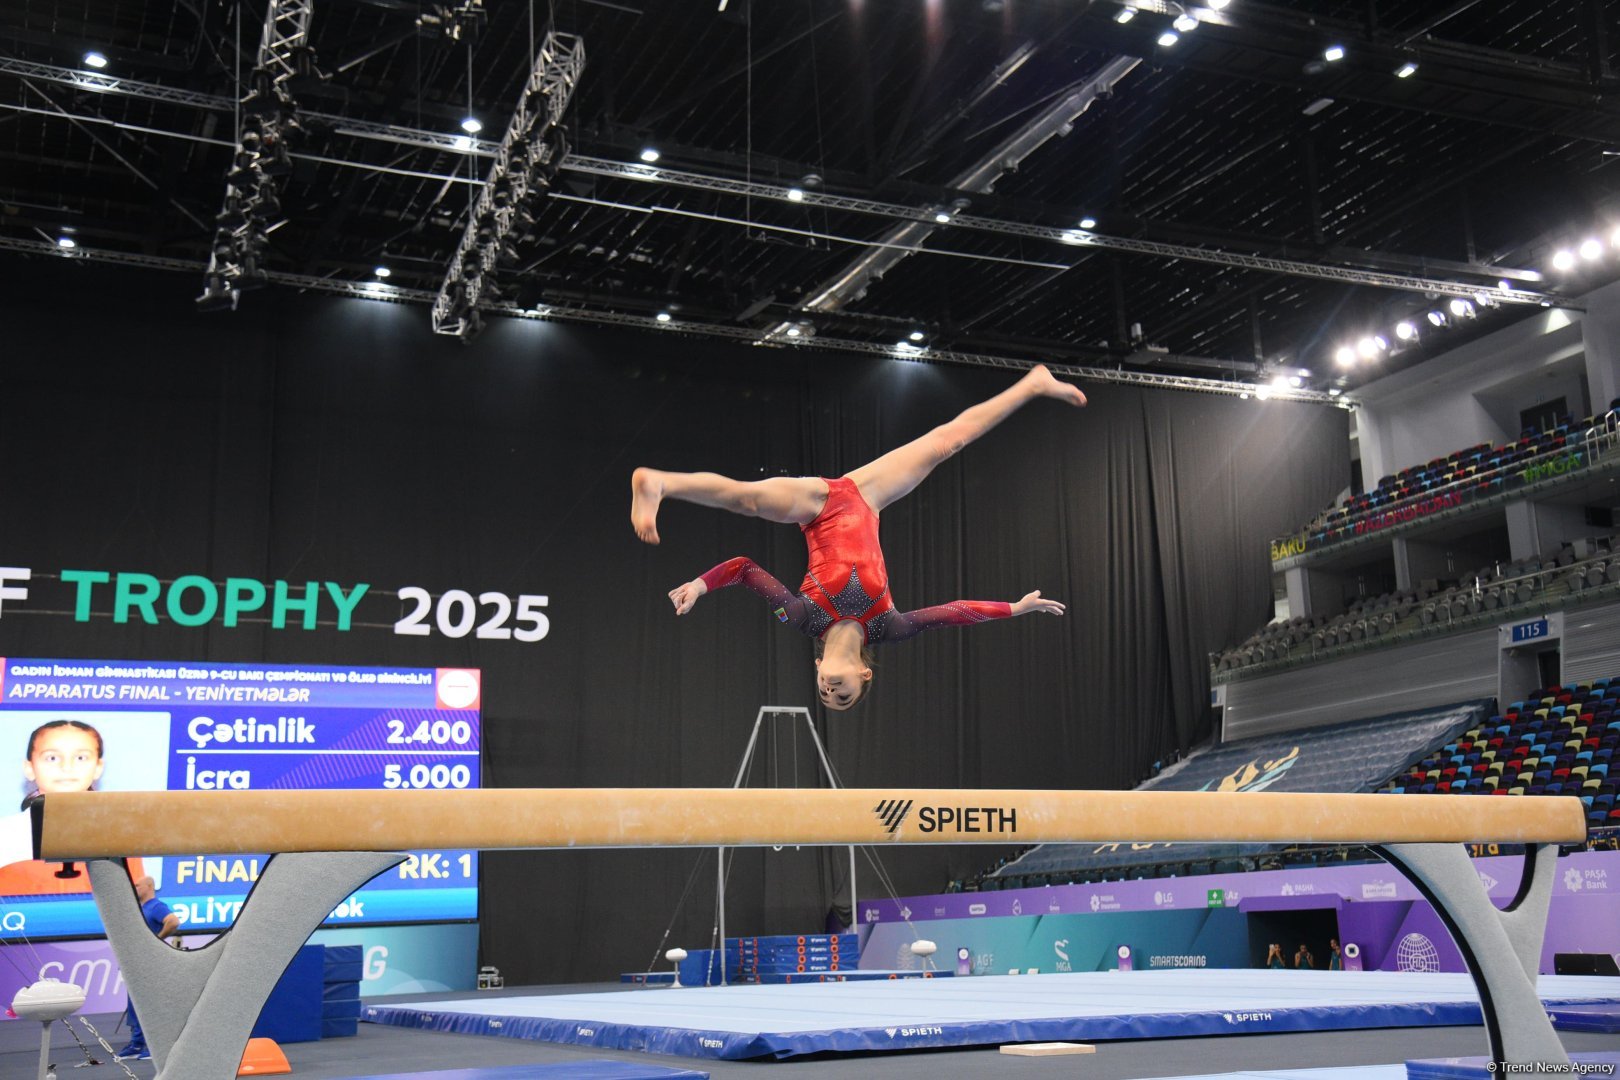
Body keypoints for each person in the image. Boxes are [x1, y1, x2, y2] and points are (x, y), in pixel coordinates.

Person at [631, 365, 1084, 710]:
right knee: (949, 442)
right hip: (867, 496)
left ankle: (661, 483)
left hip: (818, 504)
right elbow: (956, 612)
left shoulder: (801, 617)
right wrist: (1016, 608)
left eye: (825, 695)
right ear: (864, 675)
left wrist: (699, 585)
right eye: (843, 697)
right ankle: (1035, 384)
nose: (830, 693)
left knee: (746, 501)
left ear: (816, 670)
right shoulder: (889, 627)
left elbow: (745, 569)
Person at [0, 720, 141, 895]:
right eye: (52, 758)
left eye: (81, 758)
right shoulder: (4, 834)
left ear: (98, 767)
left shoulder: (121, 836)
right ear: (29, 768)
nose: (67, 768)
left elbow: (135, 905)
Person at [115, 875, 181, 1061]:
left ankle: (155, 1046)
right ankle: (137, 1043)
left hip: (148, 965)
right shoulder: (140, 909)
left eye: (137, 885)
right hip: (136, 964)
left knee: (149, 1005)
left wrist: (156, 941)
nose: (134, 888)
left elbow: (173, 922)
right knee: (135, 1005)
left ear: (149, 886)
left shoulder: (156, 906)